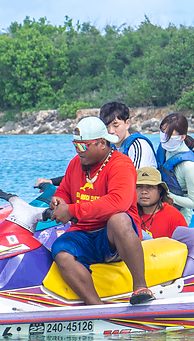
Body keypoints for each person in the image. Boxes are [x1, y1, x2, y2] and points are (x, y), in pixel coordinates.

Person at [48, 116, 155, 305]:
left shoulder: (121, 164)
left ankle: (140, 287)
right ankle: (95, 307)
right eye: (75, 145)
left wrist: (72, 211)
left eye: (83, 146)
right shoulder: (75, 164)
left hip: (112, 236)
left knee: (118, 219)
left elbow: (117, 202)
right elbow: (64, 191)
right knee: (60, 251)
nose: (78, 151)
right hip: (84, 233)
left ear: (102, 144)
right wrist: (59, 201)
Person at [155, 112, 194, 225]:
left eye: (169, 135)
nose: (164, 137)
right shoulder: (164, 149)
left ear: (182, 137)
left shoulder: (188, 166)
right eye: (163, 132)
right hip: (157, 209)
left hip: (179, 214)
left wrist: (169, 197)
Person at [99, 101, 158, 170]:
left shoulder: (138, 146)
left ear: (127, 124)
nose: (111, 131)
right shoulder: (109, 148)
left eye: (116, 125)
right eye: (106, 127)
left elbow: (135, 177)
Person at [135, 167, 187, 239]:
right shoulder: (130, 215)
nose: (144, 191)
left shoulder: (173, 216)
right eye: (139, 186)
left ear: (160, 190)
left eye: (150, 186)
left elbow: (187, 246)